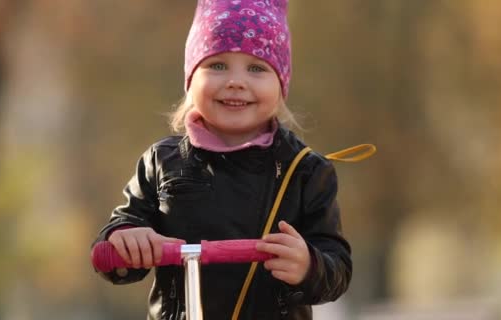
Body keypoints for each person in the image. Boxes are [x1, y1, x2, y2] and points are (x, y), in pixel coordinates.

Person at [92, 0, 352, 319]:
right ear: (191, 80)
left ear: (281, 84)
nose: (235, 81)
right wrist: (124, 239)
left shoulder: (306, 171)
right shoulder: (162, 162)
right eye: (217, 65)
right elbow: (121, 231)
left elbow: (336, 265)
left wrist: (309, 266)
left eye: (257, 68)